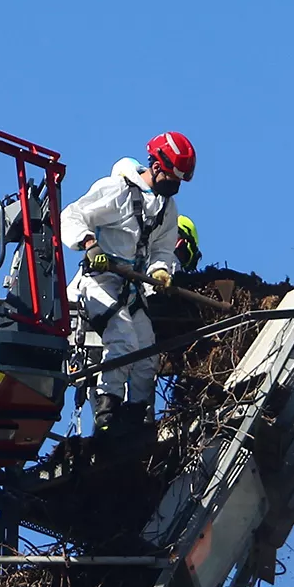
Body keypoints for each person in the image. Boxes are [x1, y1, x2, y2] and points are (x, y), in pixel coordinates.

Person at [60, 131, 197, 440]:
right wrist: (89, 243)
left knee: (147, 354)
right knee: (122, 343)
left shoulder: (166, 207)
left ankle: (136, 417)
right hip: (100, 282)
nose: (175, 187)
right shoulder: (117, 191)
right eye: (174, 178)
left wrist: (161, 269)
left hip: (133, 288)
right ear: (158, 166)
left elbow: (162, 249)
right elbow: (73, 215)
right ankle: (107, 413)